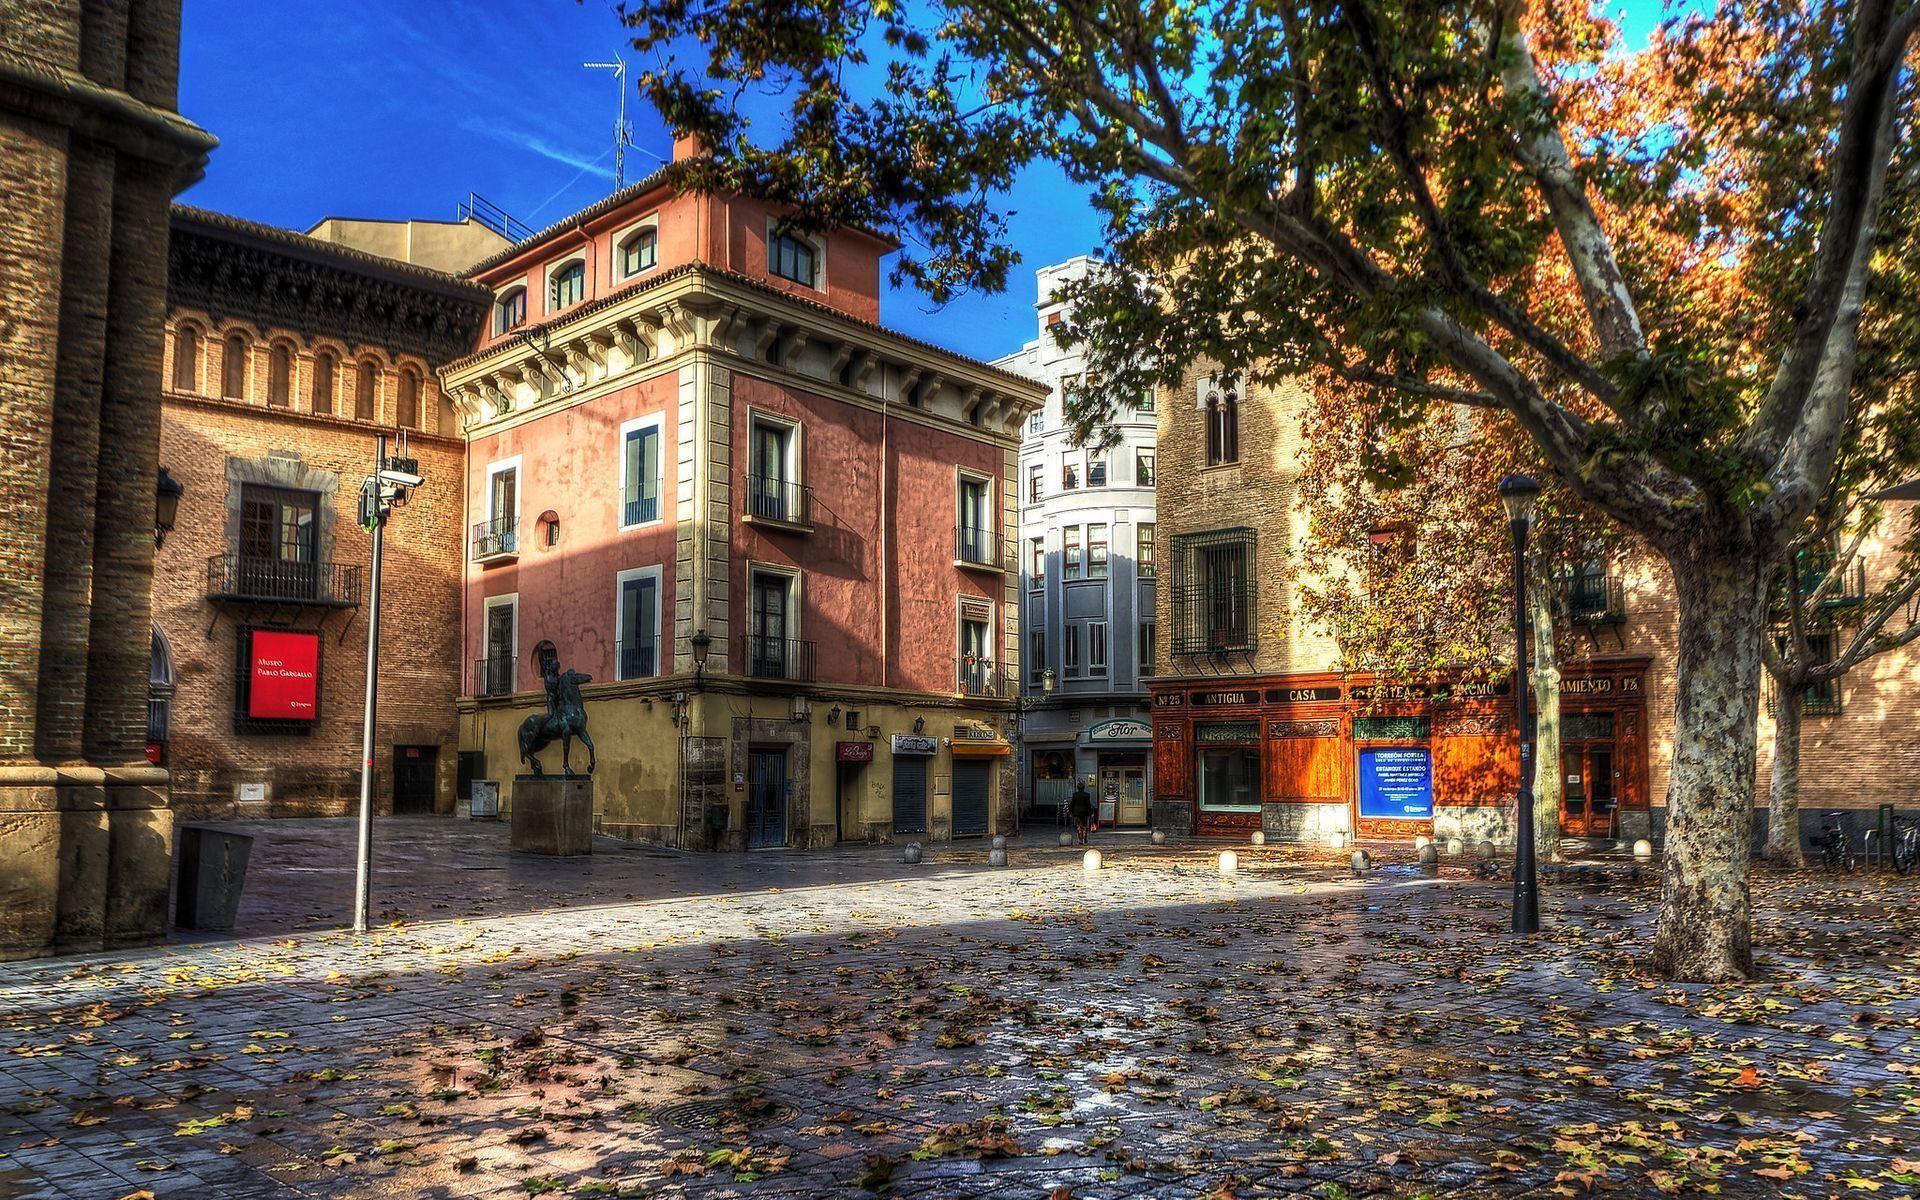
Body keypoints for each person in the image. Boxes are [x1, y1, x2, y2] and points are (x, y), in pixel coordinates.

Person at [1069, 780, 1095, 845]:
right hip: (1085, 812)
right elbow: (1088, 805)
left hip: (1077, 813)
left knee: (1078, 826)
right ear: (1084, 788)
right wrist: (1091, 813)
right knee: (1085, 825)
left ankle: (1080, 840)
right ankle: (1084, 836)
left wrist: (1070, 812)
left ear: (1077, 788)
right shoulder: (1087, 795)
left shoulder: (1075, 795)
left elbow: (1072, 804)